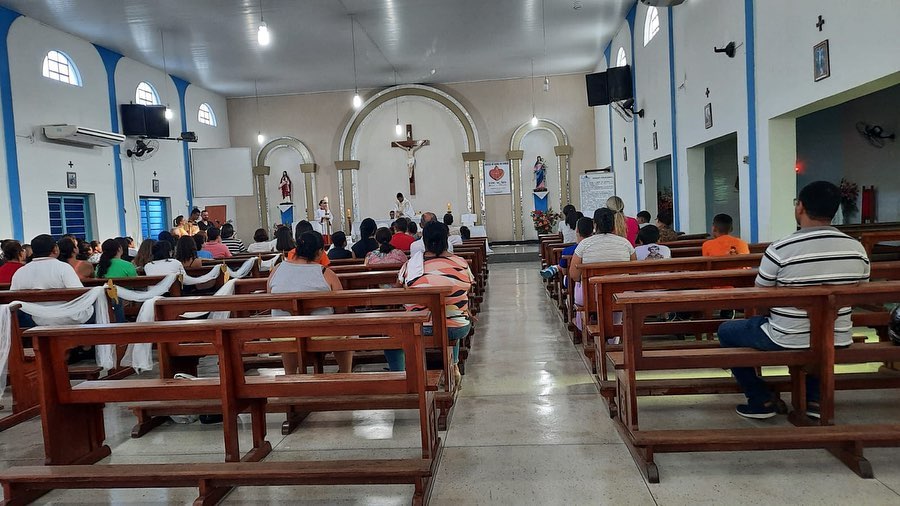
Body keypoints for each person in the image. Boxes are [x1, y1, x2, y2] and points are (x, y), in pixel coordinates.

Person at [717, 181, 870, 420]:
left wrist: (775, 313)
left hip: (786, 336)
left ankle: (760, 399)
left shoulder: (781, 248)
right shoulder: (857, 249)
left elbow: (760, 296)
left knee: (726, 331)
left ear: (800, 207)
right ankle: (813, 399)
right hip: (838, 336)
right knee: (818, 333)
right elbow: (860, 292)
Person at [268, 231, 353, 374]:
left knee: (287, 328)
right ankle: (345, 373)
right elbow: (342, 308)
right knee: (348, 331)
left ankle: (290, 374)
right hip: (320, 333)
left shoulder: (276, 270)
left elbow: (270, 299)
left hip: (282, 333)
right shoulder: (326, 274)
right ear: (319, 251)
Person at [398, 221, 474, 383]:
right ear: (446, 240)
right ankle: (453, 364)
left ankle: (413, 370)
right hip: (457, 327)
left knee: (429, 320)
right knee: (450, 315)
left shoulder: (411, 265)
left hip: (421, 328)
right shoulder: (461, 263)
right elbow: (467, 290)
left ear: (424, 241)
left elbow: (400, 291)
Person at [569, 208, 636, 336]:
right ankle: (615, 332)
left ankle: (589, 328)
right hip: (620, 294)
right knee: (616, 294)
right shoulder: (625, 244)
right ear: (614, 224)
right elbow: (633, 271)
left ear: (595, 225)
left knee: (585, 290)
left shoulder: (584, 244)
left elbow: (574, 275)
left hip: (591, 296)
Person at [541, 216, 592, 280]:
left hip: (576, 281)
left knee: (564, 269)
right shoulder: (594, 248)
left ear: (577, 230)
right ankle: (555, 268)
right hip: (594, 278)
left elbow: (564, 272)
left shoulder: (568, 251)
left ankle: (555, 268)